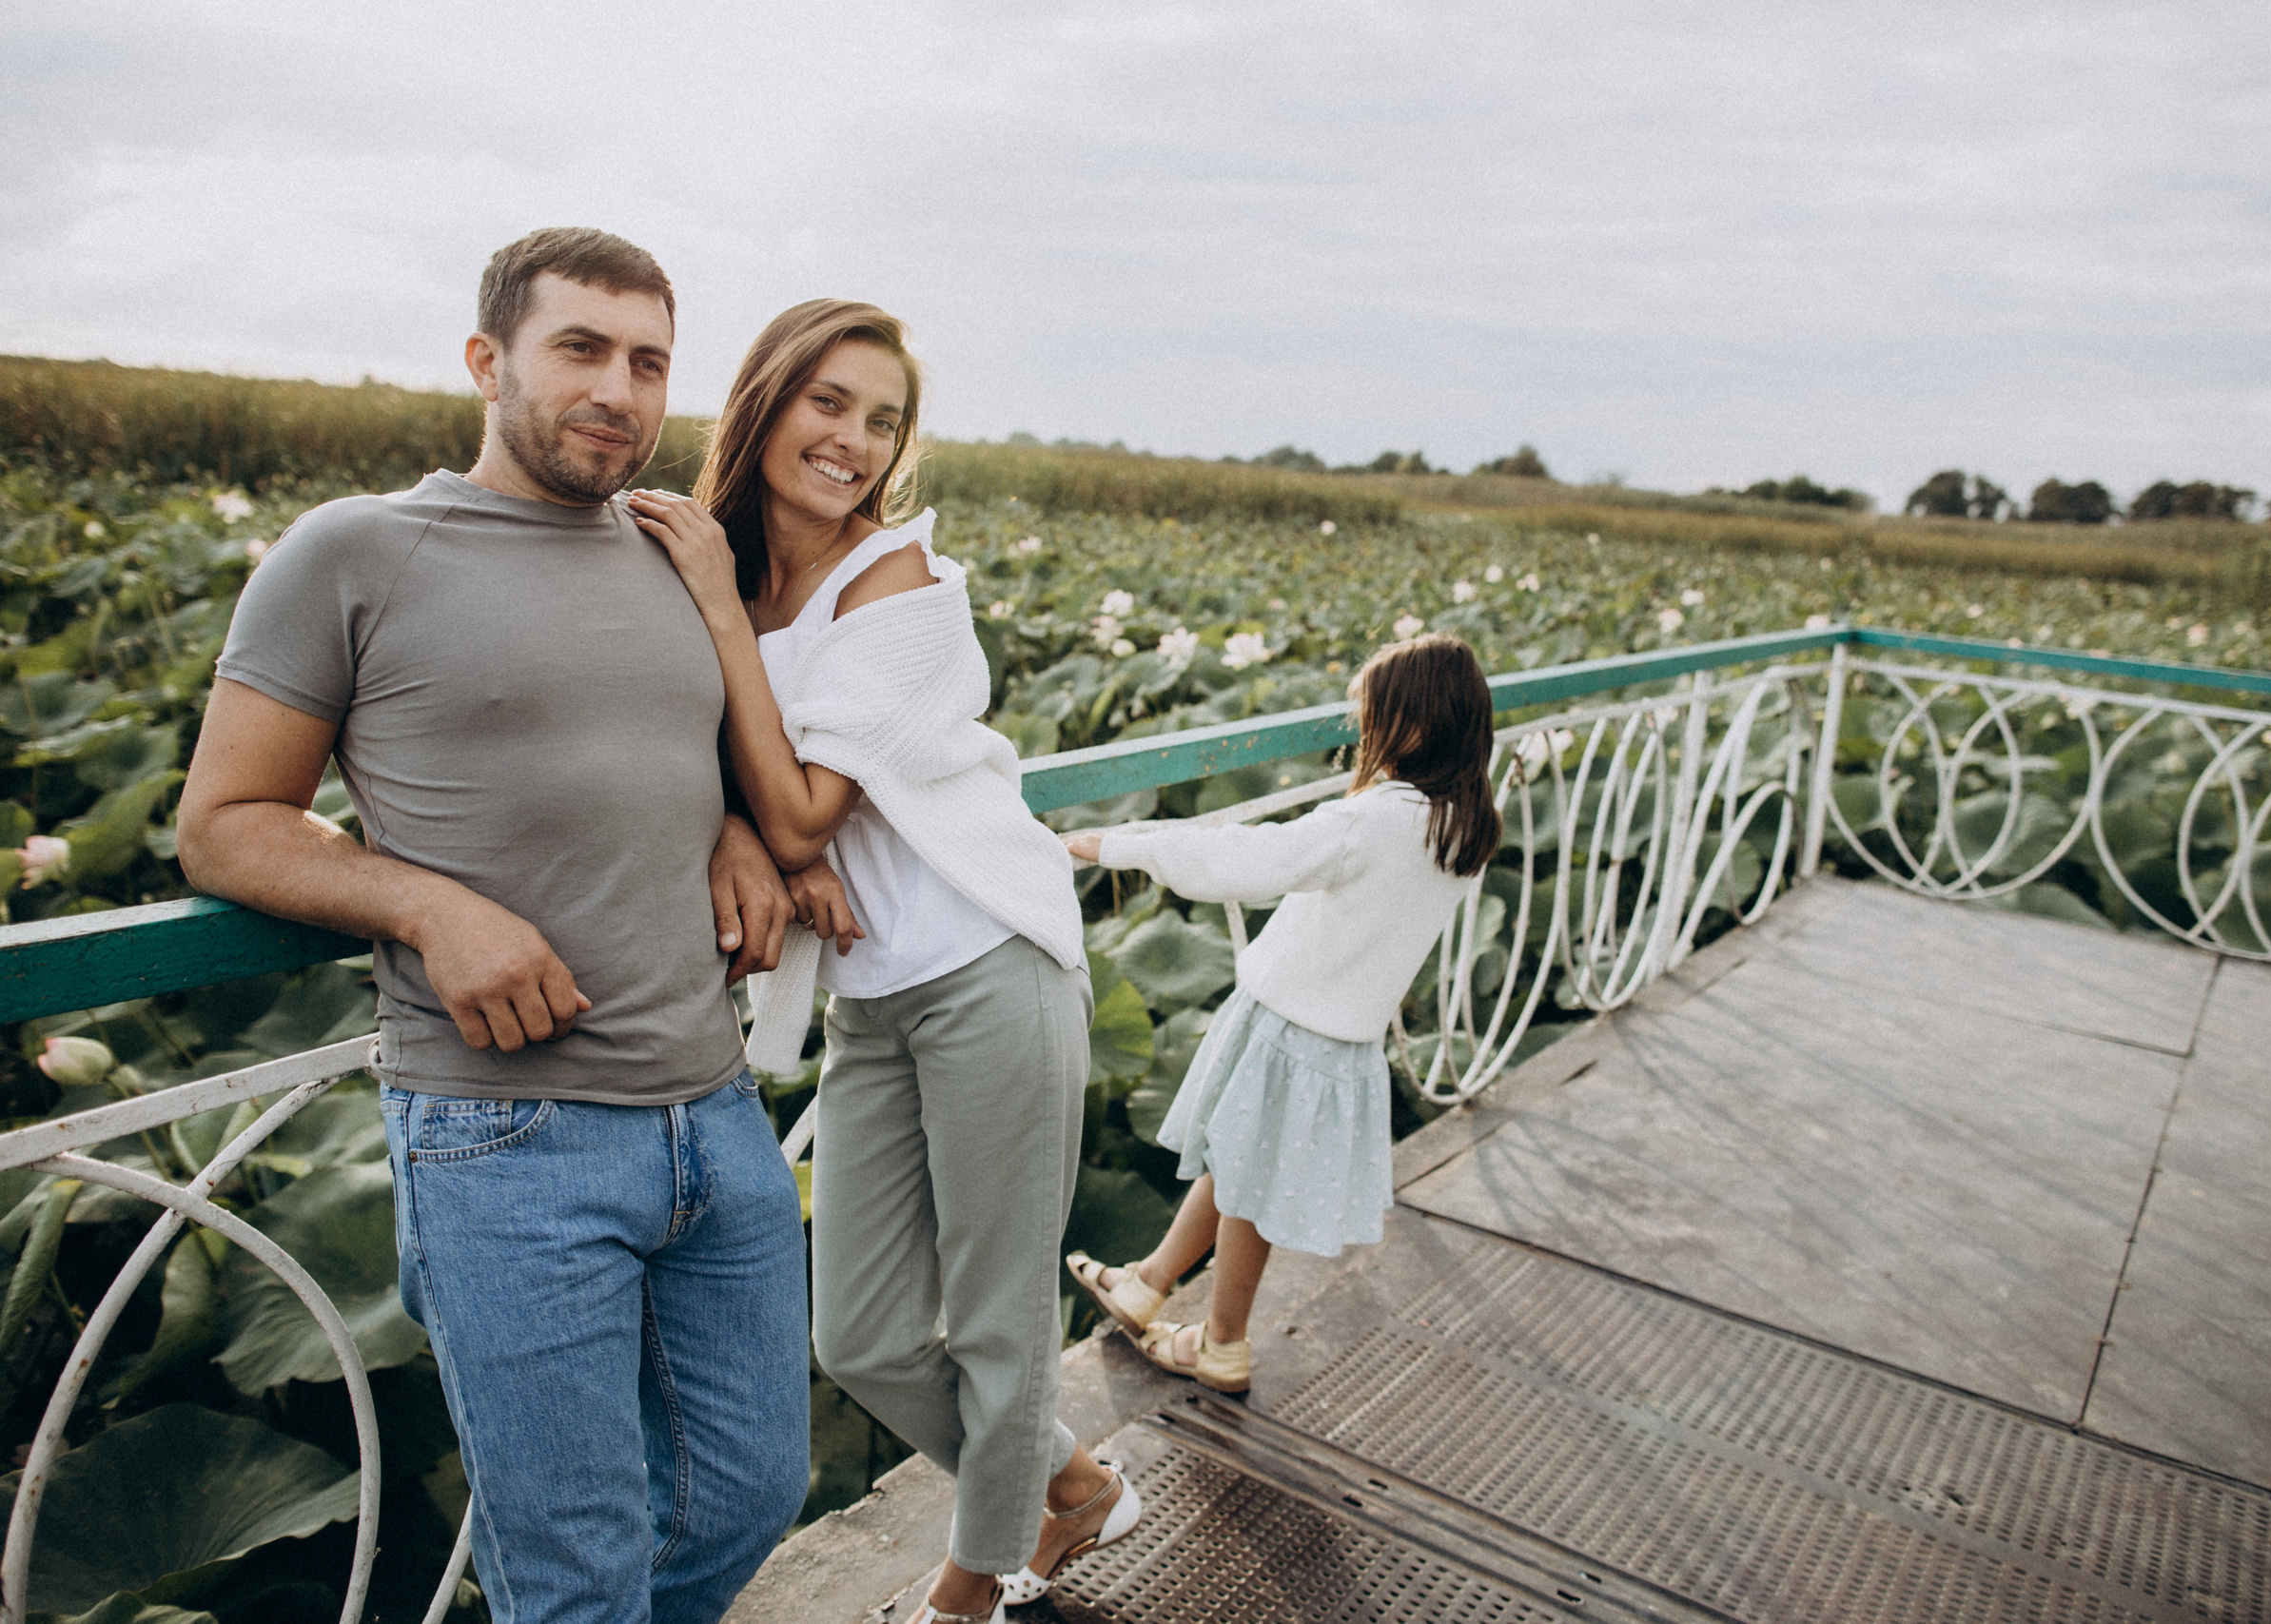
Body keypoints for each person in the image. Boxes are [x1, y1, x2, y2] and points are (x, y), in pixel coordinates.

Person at [179, 227, 819, 1624]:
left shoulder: (675, 552)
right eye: (580, 349)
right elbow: (223, 821)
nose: (619, 391)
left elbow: (671, 748)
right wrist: (426, 904)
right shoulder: (353, 551)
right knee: (572, 1567)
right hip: (507, 1133)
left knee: (754, 1488)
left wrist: (725, 824)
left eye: (648, 362)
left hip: (715, 1110)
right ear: (488, 360)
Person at [625, 300, 1130, 1624]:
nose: (854, 439)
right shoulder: (717, 560)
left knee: (999, 1319)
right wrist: (744, 831)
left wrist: (771, 805)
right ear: (766, 401)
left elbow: (806, 810)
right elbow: (700, 761)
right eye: (829, 402)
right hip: (871, 992)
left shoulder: (898, 585)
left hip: (987, 961)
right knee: (857, 1333)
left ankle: (973, 1583)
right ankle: (1072, 1483)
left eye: (883, 419)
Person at [1061, 633, 1500, 1392]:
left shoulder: (1371, 822)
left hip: (1292, 1028)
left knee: (1247, 1185)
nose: (1363, 731)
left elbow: (1249, 860)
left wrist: (1118, 845)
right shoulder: (1462, 825)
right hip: (1343, 1041)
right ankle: (1148, 1281)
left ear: (1413, 725)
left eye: (1373, 717)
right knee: (1239, 1162)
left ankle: (1222, 1343)